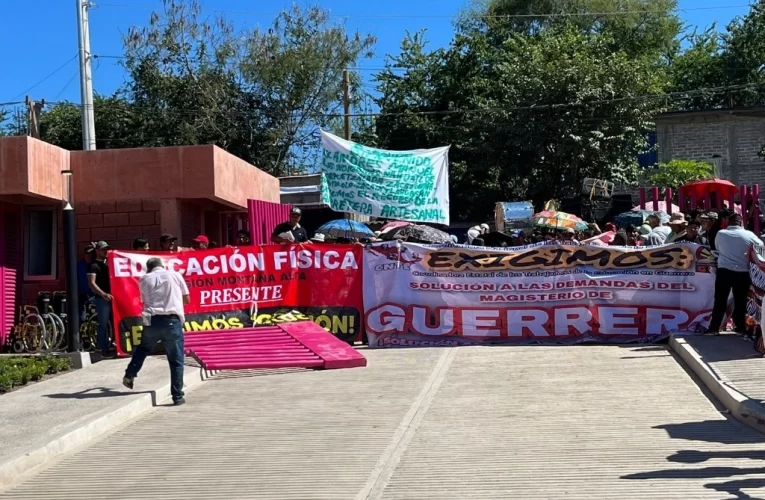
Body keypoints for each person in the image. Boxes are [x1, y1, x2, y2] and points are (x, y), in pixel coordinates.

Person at [123, 257, 190, 405]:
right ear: (162, 266)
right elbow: (187, 300)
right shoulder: (175, 275)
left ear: (149, 268)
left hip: (151, 320)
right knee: (176, 360)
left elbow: (144, 300)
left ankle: (130, 374)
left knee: (143, 348)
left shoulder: (144, 279)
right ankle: (177, 397)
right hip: (172, 321)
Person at [706, 213, 763, 335]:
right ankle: (740, 327)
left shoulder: (721, 234)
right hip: (742, 272)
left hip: (724, 271)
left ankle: (714, 328)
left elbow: (718, 248)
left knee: (720, 300)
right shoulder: (749, 235)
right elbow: (761, 247)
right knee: (740, 301)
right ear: (741, 223)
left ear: (729, 222)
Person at [87, 241, 113, 357]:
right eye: (103, 249)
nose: (105, 251)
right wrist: (103, 294)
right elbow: (92, 284)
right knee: (102, 324)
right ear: (97, 251)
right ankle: (103, 349)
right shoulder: (93, 265)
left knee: (115, 322)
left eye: (106, 249)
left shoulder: (109, 263)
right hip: (102, 299)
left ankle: (114, 345)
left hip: (113, 297)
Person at [77, 244, 94, 322]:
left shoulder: (95, 265)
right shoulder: (79, 265)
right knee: (82, 318)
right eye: (88, 253)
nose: (89, 255)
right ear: (84, 254)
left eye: (92, 253)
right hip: (82, 295)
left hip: (94, 295)